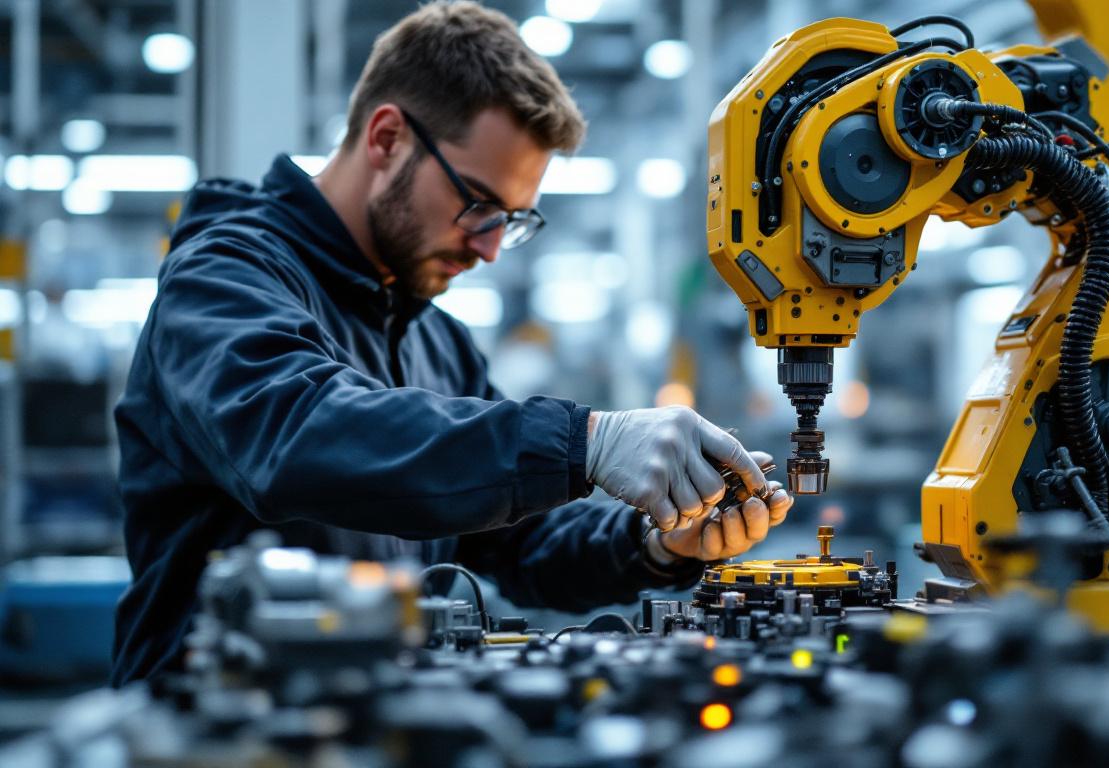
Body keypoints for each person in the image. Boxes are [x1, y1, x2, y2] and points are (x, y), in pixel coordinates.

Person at [110, 0, 792, 685]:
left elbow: (516, 544)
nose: (491, 248)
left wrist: (657, 544)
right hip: (207, 726)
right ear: (386, 139)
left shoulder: (434, 338)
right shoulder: (224, 276)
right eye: (478, 204)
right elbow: (297, 435)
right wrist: (586, 440)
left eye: (513, 221)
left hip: (371, 721)